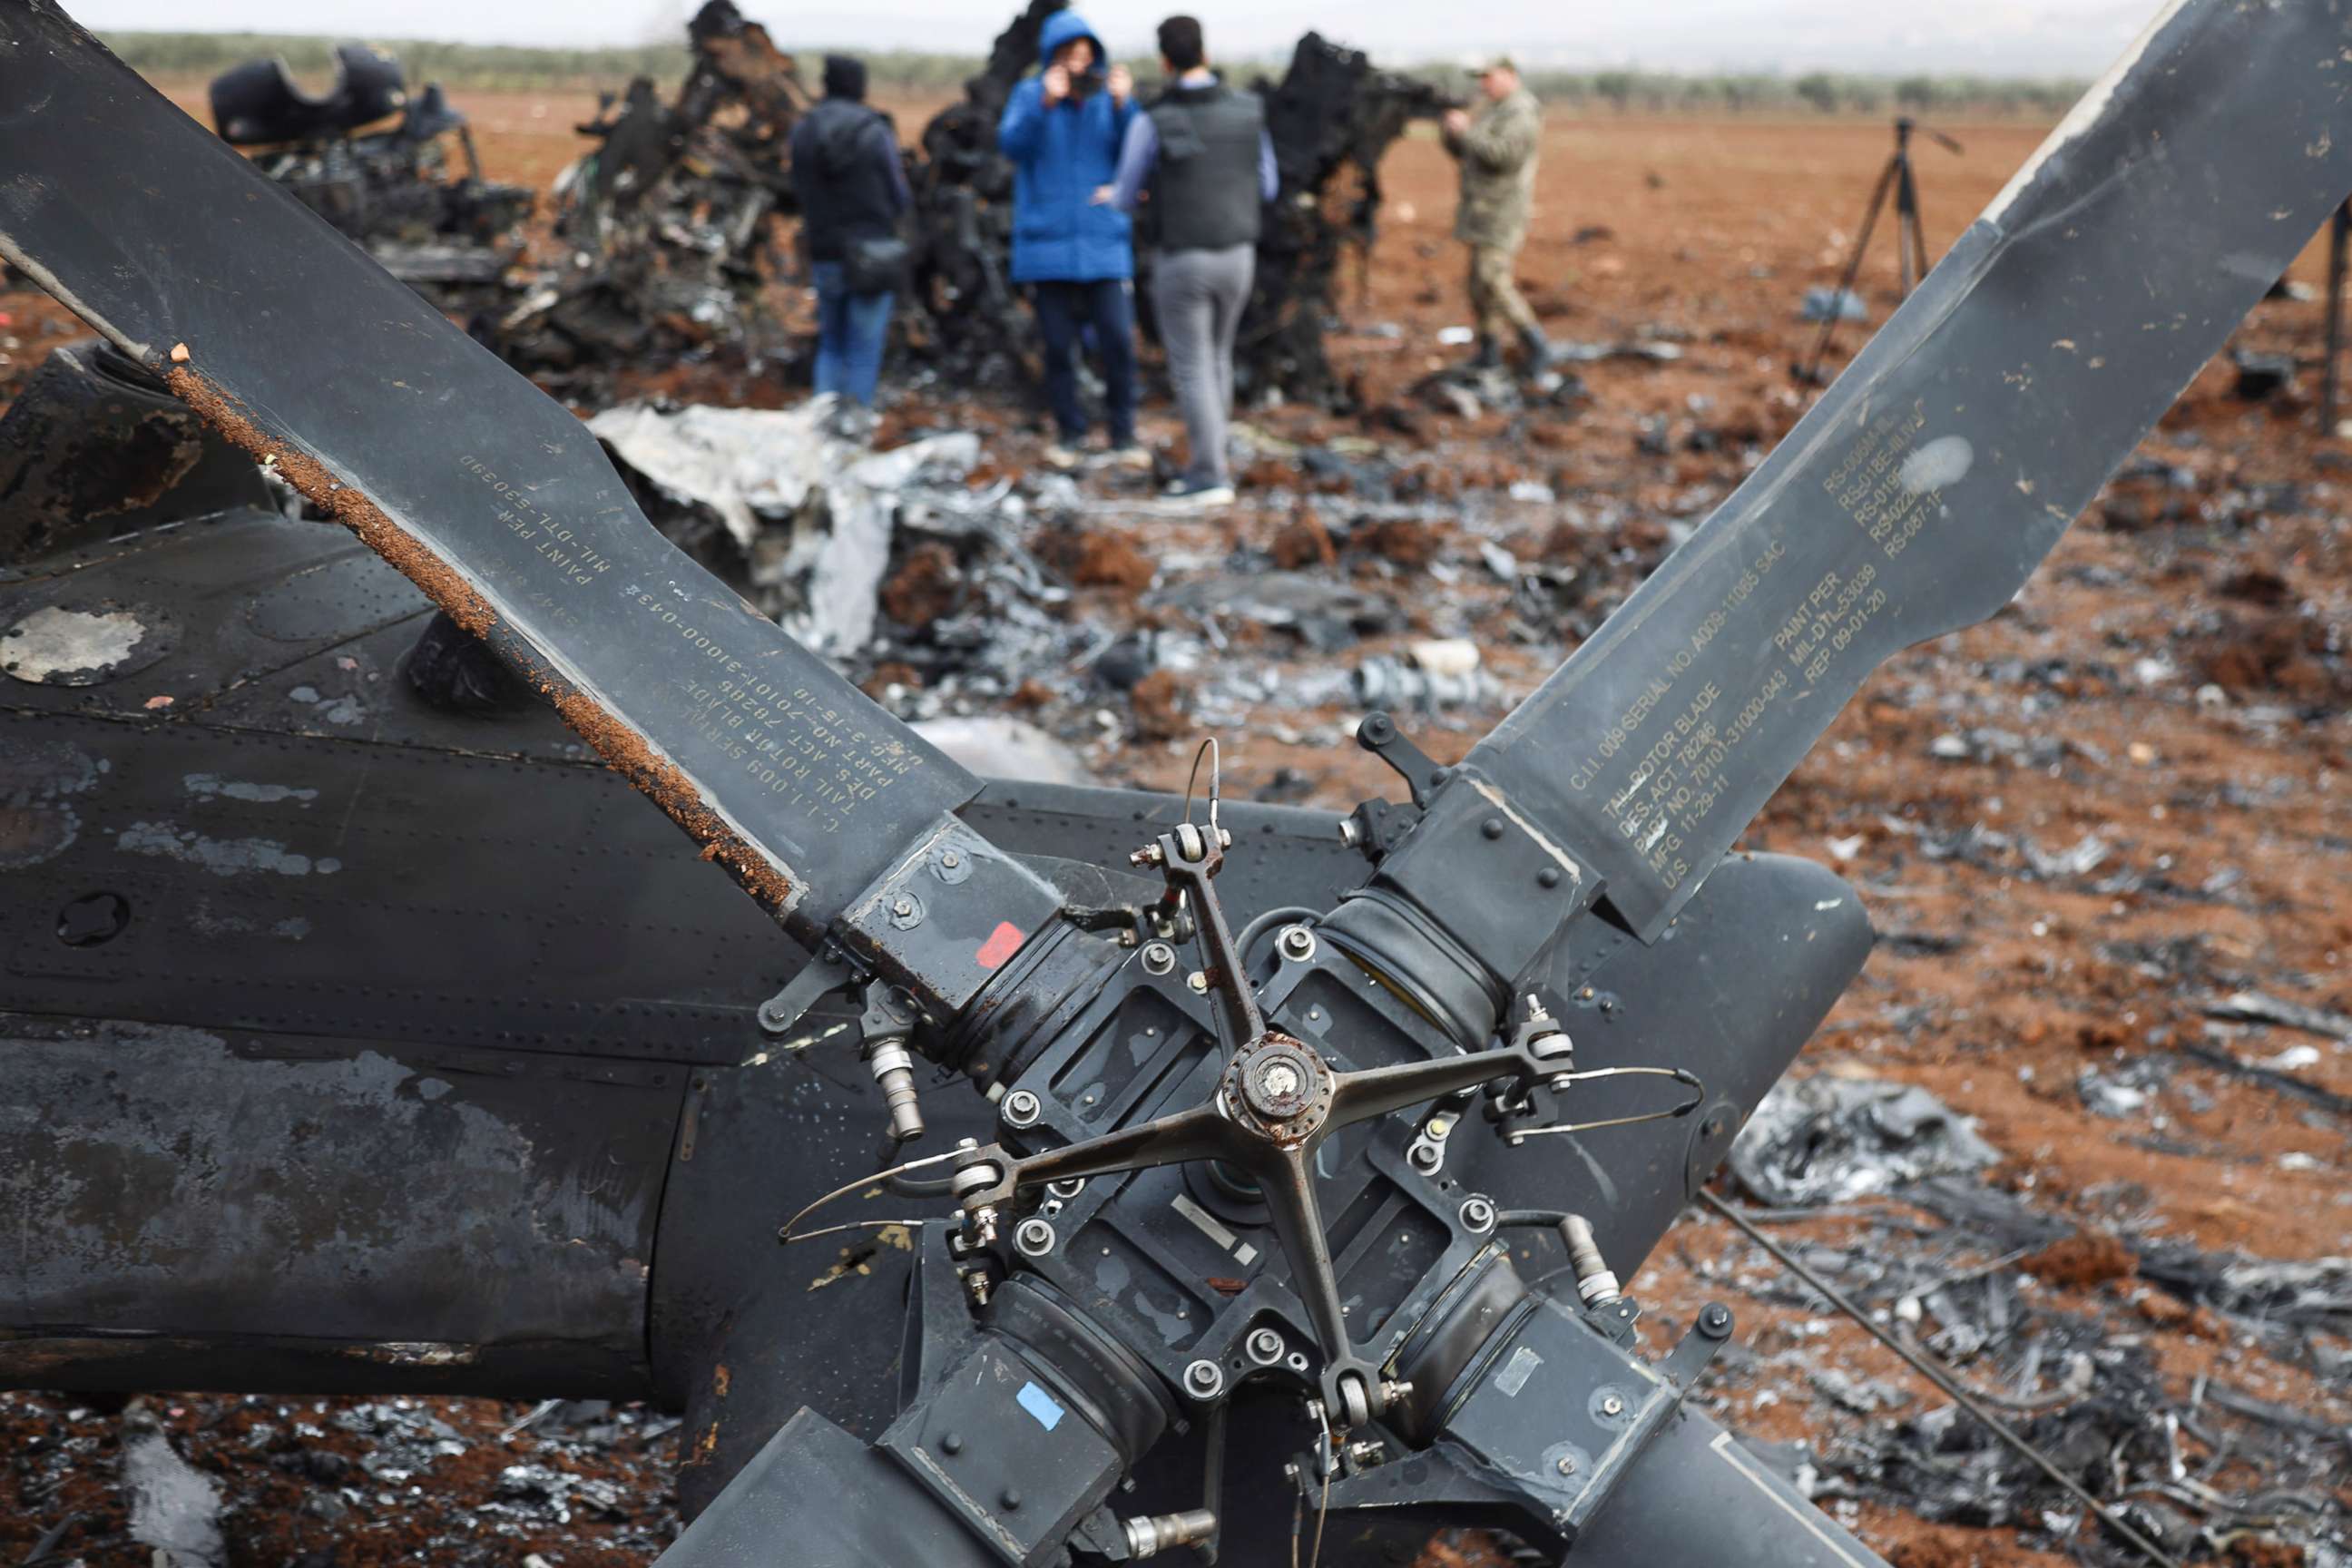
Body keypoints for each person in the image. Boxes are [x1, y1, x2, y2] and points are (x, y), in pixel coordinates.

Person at [1107, 15, 1279, 507]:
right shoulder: (1249, 111)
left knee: (1191, 365)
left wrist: (1138, 195)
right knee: (1219, 358)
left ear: (1164, 60)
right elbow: (1268, 185)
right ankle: (1214, 459)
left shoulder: (1152, 119)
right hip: (1239, 255)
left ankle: (1209, 474)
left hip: (1184, 259)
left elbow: (1123, 193)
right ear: (1204, 50)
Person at [998, 10, 1145, 469]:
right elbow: (1011, 147)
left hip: (1104, 244)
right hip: (1047, 246)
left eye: (1086, 56)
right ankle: (1069, 432)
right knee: (1058, 346)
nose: (1080, 66)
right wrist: (1044, 103)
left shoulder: (1109, 103)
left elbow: (1136, 155)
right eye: (1069, 57)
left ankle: (1123, 433)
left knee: (1118, 341)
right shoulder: (1029, 95)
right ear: (1052, 59)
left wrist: (1126, 107)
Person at [790, 54, 910, 411]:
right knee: (864, 349)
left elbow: (796, 187)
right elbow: (899, 194)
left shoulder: (804, 129)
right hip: (873, 254)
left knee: (830, 344)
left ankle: (822, 424)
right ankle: (854, 429)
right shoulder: (874, 130)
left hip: (824, 249)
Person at [1442, 56, 1553, 374]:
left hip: (1502, 211)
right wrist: (1451, 132)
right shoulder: (1493, 109)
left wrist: (1467, 131)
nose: (1483, 85)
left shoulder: (1521, 111)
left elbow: (1502, 156)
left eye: (1488, 77)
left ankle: (1536, 345)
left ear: (1509, 75)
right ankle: (1489, 349)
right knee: (1478, 284)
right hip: (1481, 210)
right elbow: (1467, 154)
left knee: (1493, 280)